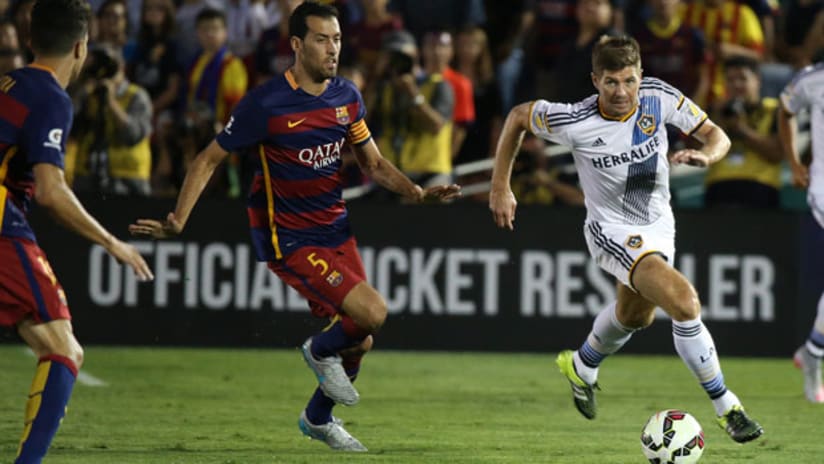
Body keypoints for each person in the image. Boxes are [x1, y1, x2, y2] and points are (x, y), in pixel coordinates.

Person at [129, 1, 459, 452]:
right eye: (322, 39)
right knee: (373, 313)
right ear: (297, 44)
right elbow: (208, 158)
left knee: (360, 342)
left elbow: (374, 163)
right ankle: (318, 351)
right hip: (289, 237)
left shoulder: (346, 97)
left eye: (338, 39)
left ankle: (317, 418)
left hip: (335, 230)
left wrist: (417, 193)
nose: (333, 49)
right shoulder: (265, 104)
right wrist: (179, 219)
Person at [489, 35, 763, 443]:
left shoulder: (659, 97)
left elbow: (716, 136)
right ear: (595, 80)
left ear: (641, 77)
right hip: (612, 230)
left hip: (659, 225)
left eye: (630, 81)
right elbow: (516, 116)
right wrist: (500, 187)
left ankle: (582, 365)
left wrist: (707, 156)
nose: (622, 92)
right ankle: (728, 407)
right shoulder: (574, 120)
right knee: (684, 302)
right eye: (612, 82)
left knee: (636, 316)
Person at [0, 0, 153, 462]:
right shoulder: (51, 97)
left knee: (50, 341)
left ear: (29, 40)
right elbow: (50, 190)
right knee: (64, 351)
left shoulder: (10, 84)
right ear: (82, 47)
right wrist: (112, 243)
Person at [778, 61, 824, 404]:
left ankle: (813, 350)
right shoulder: (812, 79)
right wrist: (794, 162)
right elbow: (785, 109)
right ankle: (813, 351)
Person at [704, 55, 782, 209]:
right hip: (719, 185)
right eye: (731, 80)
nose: (736, 85)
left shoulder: (774, 109)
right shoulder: (716, 110)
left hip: (761, 186)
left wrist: (741, 130)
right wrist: (720, 123)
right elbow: (701, 151)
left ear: (757, 80)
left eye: (742, 78)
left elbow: (777, 154)